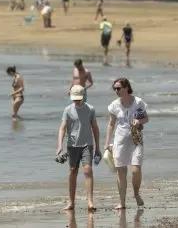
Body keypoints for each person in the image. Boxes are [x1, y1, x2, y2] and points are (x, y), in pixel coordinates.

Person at [103, 78, 149, 210]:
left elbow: (146, 118)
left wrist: (139, 122)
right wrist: (107, 142)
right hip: (120, 141)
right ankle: (122, 202)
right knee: (121, 172)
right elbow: (111, 124)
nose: (116, 91)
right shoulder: (114, 105)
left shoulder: (138, 102)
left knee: (135, 170)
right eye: (115, 89)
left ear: (126, 88)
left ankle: (136, 193)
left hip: (136, 139)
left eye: (118, 88)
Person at [57, 85, 100, 212]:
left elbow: (95, 128)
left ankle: (90, 202)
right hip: (72, 146)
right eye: (74, 99)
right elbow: (62, 128)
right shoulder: (67, 110)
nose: (76, 101)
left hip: (87, 144)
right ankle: (71, 202)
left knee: (88, 170)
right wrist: (59, 145)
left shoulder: (90, 109)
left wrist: (97, 147)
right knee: (72, 171)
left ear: (83, 96)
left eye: (78, 99)